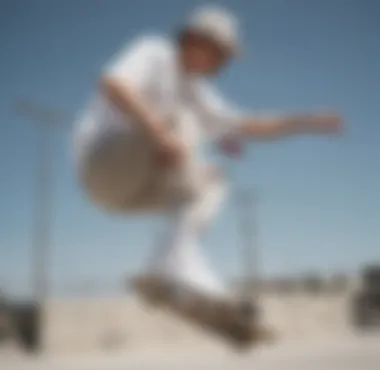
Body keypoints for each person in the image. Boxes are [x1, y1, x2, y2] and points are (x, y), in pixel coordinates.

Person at [73, 6, 342, 301]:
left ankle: (172, 262)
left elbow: (247, 126)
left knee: (214, 180)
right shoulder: (155, 52)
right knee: (178, 119)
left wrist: (306, 122)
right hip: (102, 163)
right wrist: (159, 134)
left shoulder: (197, 91)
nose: (224, 63)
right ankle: (173, 264)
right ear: (194, 40)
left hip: (130, 196)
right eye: (220, 53)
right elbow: (114, 84)